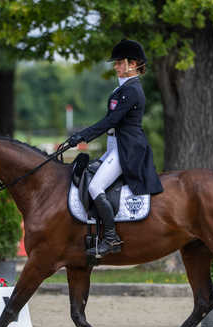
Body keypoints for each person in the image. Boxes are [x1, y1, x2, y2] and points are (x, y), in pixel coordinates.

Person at [67, 39, 163, 258]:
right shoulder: (123, 88)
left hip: (127, 149)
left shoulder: (131, 91)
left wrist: (83, 136)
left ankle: (111, 239)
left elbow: (110, 121)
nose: (116, 67)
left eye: (120, 63)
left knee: (95, 187)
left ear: (132, 64)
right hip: (114, 147)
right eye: (117, 63)